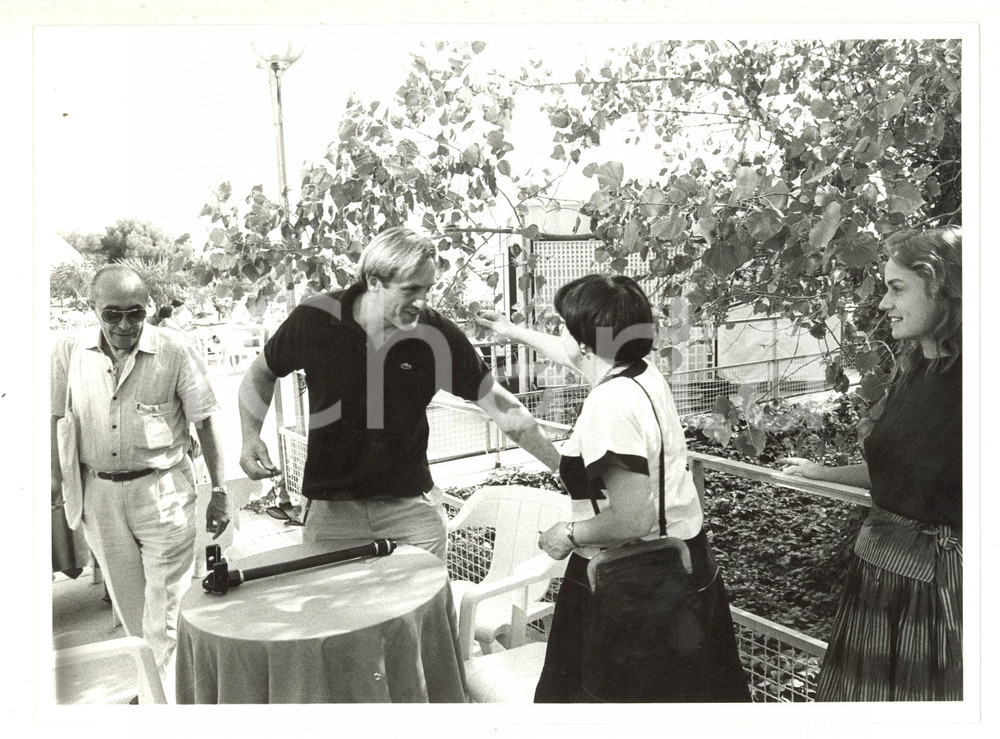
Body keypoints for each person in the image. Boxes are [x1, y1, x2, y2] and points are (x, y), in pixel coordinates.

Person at [476, 274, 749, 702]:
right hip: (683, 567)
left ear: (586, 342)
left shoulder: (610, 403)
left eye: (565, 325)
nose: (559, 333)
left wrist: (565, 535)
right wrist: (511, 332)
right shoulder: (641, 373)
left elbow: (630, 517)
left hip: (636, 585)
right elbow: (570, 354)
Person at [238, 227, 560, 560]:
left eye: (428, 289)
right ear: (374, 282)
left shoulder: (436, 334)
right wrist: (250, 437)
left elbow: (505, 409)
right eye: (411, 290)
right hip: (332, 513)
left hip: (411, 513)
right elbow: (261, 373)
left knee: (425, 609)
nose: (422, 301)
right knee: (338, 611)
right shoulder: (315, 319)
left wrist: (563, 468)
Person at [781, 226, 962, 701]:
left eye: (897, 288)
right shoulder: (916, 369)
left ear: (946, 288)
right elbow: (902, 471)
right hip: (876, 577)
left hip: (938, 596)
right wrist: (823, 473)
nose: (882, 304)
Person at [50, 264, 231, 698]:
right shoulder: (67, 352)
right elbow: (55, 417)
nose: (125, 325)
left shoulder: (174, 349)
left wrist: (220, 491)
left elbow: (205, 423)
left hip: (164, 493)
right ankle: (159, 690)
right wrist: (55, 480)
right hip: (99, 497)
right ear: (92, 309)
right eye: (112, 314)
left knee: (164, 615)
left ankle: (161, 707)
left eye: (136, 313)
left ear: (148, 309)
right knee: (134, 617)